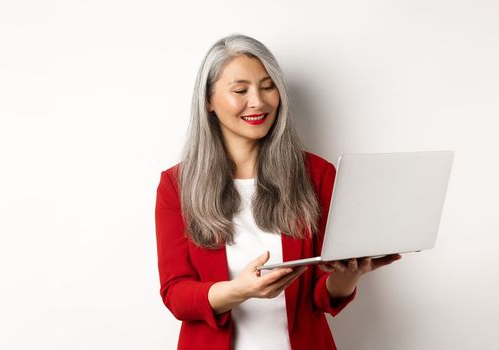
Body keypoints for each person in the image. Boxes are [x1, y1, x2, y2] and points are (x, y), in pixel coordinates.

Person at [154, 34, 402, 350]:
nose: (258, 101)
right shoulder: (177, 186)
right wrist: (239, 290)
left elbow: (322, 293)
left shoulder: (317, 174)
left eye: (268, 86)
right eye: (240, 90)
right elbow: (176, 294)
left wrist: (348, 276)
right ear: (208, 101)